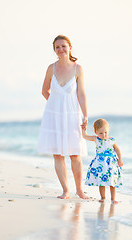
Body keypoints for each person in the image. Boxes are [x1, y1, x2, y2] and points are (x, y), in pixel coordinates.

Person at [37, 35, 89, 199]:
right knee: (58, 154)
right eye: (57, 47)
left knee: (75, 154)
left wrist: (85, 114)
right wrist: (55, 105)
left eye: (63, 46)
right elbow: (45, 90)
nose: (60, 49)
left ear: (70, 47)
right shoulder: (51, 68)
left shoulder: (77, 68)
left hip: (73, 115)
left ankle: (79, 190)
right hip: (54, 116)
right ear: (54, 50)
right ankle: (66, 190)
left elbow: (81, 93)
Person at [82, 119, 123, 204]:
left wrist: (120, 159)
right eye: (101, 133)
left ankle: (113, 198)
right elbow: (85, 136)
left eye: (105, 132)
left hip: (111, 164)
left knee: (112, 182)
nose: (103, 135)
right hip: (100, 164)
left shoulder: (112, 140)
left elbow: (117, 149)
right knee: (101, 181)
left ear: (108, 130)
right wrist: (83, 129)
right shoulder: (96, 139)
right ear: (95, 132)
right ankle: (103, 197)